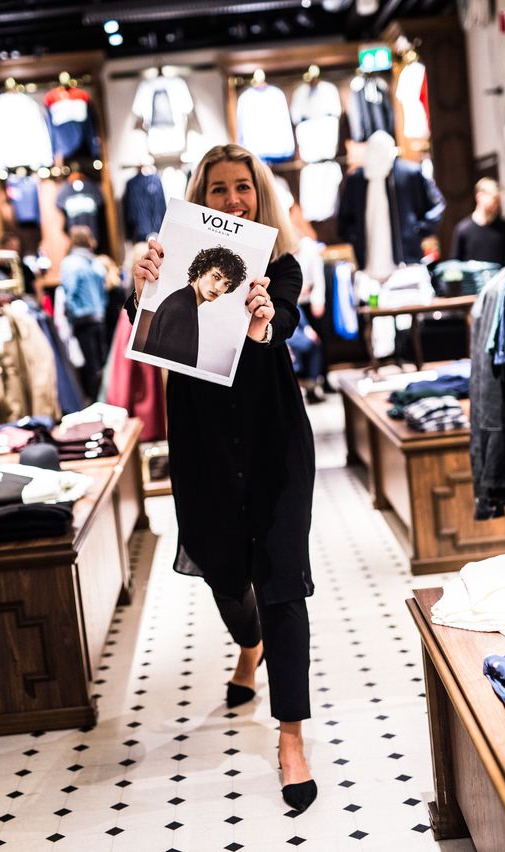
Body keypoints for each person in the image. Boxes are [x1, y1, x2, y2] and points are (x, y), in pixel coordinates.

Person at [126, 143, 317, 813]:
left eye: (242, 186)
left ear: (258, 194)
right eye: (217, 188)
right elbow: (141, 325)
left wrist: (263, 323)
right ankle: (248, 645)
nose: (232, 199)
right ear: (199, 197)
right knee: (221, 570)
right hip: (204, 446)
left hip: (275, 446)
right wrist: (139, 286)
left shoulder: (280, 266)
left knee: (283, 583)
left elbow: (285, 319)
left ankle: (291, 739)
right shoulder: (173, 265)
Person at [142, 245, 247, 367]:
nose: (219, 288)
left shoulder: (184, 302)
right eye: (216, 277)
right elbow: (169, 368)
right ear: (200, 270)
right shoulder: (181, 308)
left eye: (226, 284)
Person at [60, 225, 107, 402]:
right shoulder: (95, 262)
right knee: (101, 363)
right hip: (99, 317)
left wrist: (72, 314)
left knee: (88, 365)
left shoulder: (70, 263)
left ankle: (95, 402)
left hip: (83, 319)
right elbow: (103, 291)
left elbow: (69, 293)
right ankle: (105, 399)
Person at [451, 177, 505, 266]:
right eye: (494, 200)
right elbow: (455, 263)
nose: (497, 204)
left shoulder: (504, 227)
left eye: (498, 200)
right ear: (479, 197)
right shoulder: (463, 229)